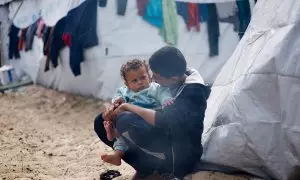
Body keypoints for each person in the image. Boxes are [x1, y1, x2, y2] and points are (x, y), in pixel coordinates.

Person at [94, 46, 211, 179]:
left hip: (179, 156)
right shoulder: (177, 74)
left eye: (156, 77)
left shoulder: (193, 93)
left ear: (173, 79)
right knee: (101, 121)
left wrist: (128, 106)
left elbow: (163, 120)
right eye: (152, 74)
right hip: (160, 137)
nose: (153, 79)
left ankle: (162, 170)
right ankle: (147, 169)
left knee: (126, 121)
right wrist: (111, 110)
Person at [101, 59, 173, 166]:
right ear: (127, 84)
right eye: (134, 81)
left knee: (123, 125)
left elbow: (164, 94)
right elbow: (116, 99)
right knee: (121, 137)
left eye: (143, 77)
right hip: (131, 123)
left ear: (149, 76)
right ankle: (117, 154)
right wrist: (116, 102)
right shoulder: (125, 91)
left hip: (148, 122)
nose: (140, 82)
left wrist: (166, 100)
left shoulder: (155, 89)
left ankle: (114, 134)